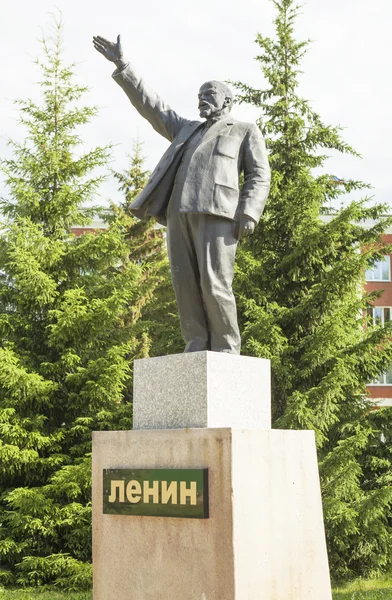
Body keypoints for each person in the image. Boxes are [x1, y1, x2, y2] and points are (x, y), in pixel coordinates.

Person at [93, 34, 270, 354]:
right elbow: (153, 107)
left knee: (215, 283)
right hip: (178, 213)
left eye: (209, 94)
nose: (201, 99)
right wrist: (124, 66)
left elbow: (260, 174)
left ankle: (227, 347)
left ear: (227, 101)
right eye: (199, 95)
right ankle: (197, 342)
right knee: (184, 285)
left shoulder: (244, 130)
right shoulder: (186, 129)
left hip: (218, 214)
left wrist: (248, 212)